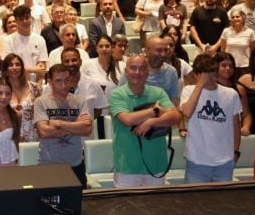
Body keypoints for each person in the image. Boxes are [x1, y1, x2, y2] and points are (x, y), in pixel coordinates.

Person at [109, 54, 183, 187]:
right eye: (133, 68)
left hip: (156, 165)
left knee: (156, 208)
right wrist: (155, 111)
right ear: (126, 72)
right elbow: (127, 119)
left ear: (148, 72)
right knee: (126, 207)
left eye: (142, 68)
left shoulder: (158, 93)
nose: (137, 72)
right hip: (127, 167)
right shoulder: (117, 94)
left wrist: (151, 122)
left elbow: (176, 116)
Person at [179, 55, 242, 183]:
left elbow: (236, 125)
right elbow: (187, 112)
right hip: (197, 160)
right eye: (206, 76)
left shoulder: (231, 94)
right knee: (194, 201)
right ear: (197, 75)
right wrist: (200, 84)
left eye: (213, 75)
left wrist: (235, 152)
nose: (211, 79)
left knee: (223, 202)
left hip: (224, 161)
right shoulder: (188, 90)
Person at [34, 64, 94, 187]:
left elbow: (87, 129)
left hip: (76, 164)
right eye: (58, 81)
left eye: (67, 80)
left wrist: (59, 124)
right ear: (50, 82)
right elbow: (44, 132)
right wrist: (76, 125)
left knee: (78, 204)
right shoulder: (41, 102)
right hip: (49, 164)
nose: (63, 85)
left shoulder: (79, 101)